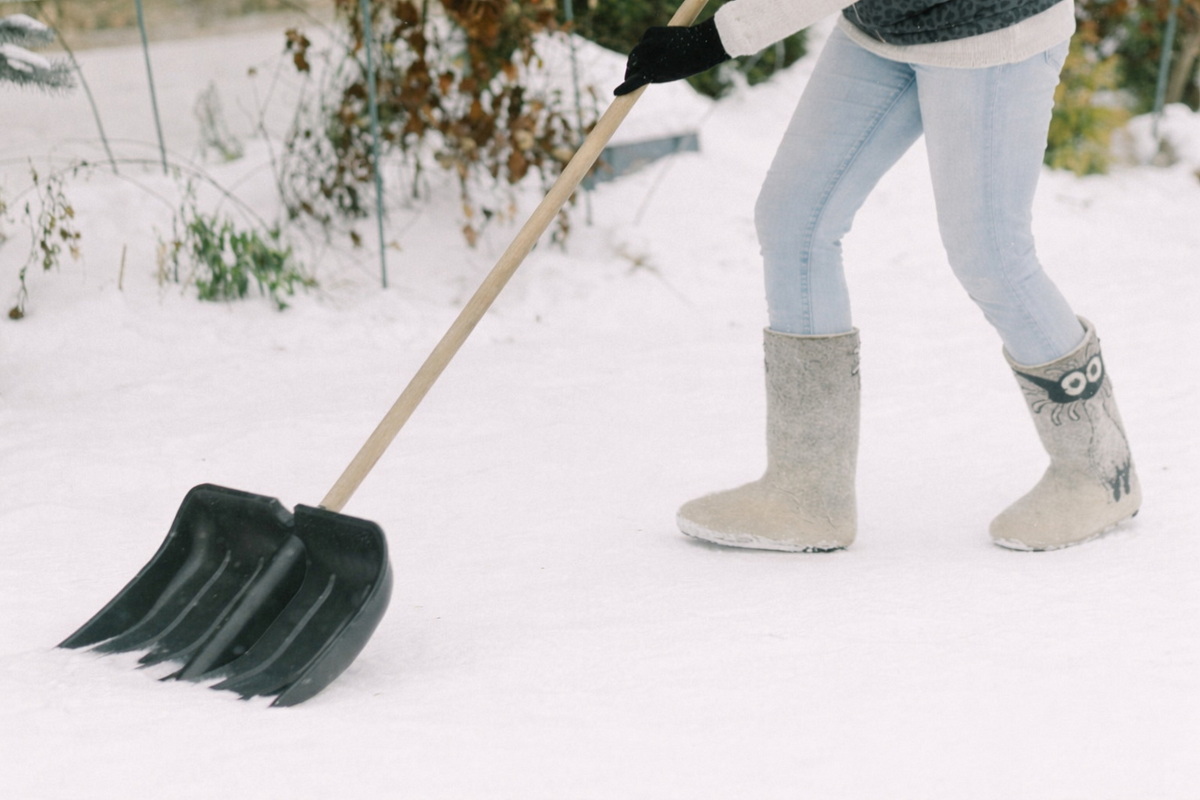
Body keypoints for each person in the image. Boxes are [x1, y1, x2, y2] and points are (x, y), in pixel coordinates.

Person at [615, 0, 1141, 552]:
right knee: (795, 219)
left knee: (992, 257)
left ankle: (1099, 473)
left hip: (988, 30)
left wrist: (717, 38)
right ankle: (808, 492)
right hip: (882, 26)